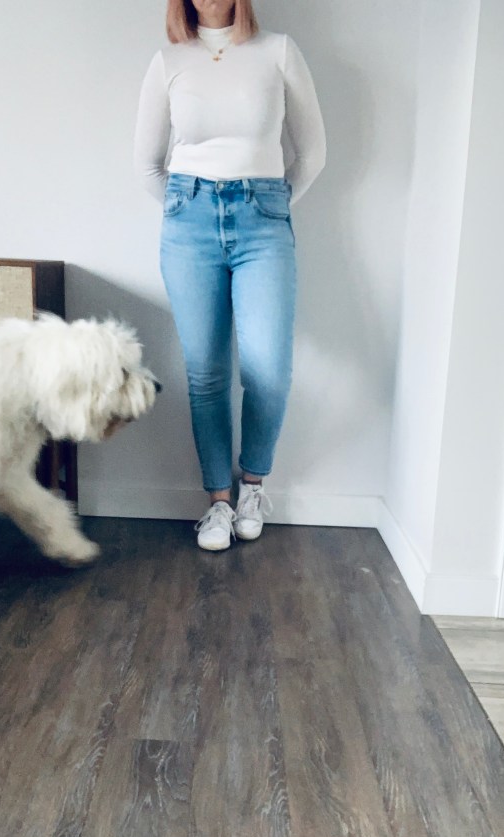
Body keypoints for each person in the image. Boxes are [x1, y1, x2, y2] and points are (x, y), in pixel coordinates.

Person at [135, 0, 326, 550]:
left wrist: (269, 204)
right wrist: (186, 208)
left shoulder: (278, 52)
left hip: (263, 220)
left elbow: (312, 153)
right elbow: (147, 165)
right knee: (206, 373)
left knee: (269, 371)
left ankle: (252, 489)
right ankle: (217, 502)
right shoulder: (169, 61)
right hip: (188, 223)